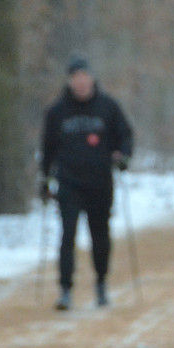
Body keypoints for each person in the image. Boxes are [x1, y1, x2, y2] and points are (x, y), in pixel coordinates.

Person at [40, 57, 133, 311]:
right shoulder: (57, 112)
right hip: (68, 183)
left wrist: (123, 156)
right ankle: (65, 289)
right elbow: (47, 148)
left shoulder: (108, 107)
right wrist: (45, 179)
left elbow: (125, 135)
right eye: (76, 78)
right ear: (69, 82)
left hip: (100, 182)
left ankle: (101, 283)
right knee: (67, 235)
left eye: (84, 77)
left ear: (92, 79)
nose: (81, 83)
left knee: (100, 235)